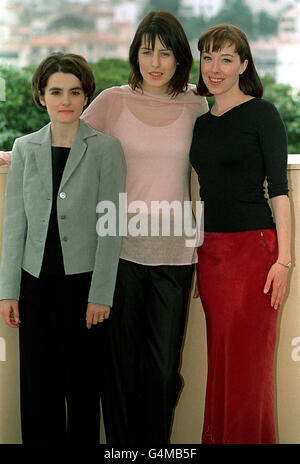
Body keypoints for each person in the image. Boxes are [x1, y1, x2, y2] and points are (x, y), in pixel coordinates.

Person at [81, 11, 208, 444]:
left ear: (179, 58)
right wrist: (17, 155)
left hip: (176, 255)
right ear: (135, 55)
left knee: (161, 370)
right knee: (118, 366)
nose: (155, 61)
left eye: (166, 52)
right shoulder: (114, 100)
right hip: (119, 250)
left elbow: (213, 169)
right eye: (147, 51)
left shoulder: (196, 103)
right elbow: (67, 136)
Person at [0, 52, 126, 444]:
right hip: (34, 284)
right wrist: (8, 291)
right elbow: (14, 224)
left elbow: (112, 226)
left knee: (83, 390)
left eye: (74, 91)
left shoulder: (106, 149)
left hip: (85, 288)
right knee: (38, 390)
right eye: (56, 91)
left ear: (87, 95)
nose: (65, 100)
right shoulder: (24, 148)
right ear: (41, 96)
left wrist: (101, 294)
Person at [189, 24, 291, 444]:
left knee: (250, 368)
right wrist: (197, 254)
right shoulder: (200, 122)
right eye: (208, 57)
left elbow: (280, 191)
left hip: (255, 255)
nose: (215, 68)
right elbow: (204, 194)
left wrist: (284, 261)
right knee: (222, 362)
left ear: (243, 65)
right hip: (211, 255)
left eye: (226, 59)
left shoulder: (262, 114)